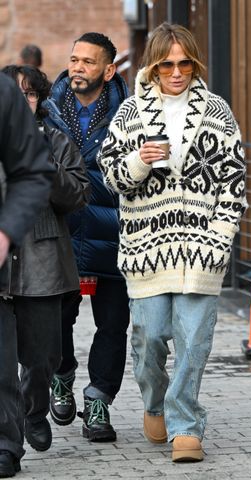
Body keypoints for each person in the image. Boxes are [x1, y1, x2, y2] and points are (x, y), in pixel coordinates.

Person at [97, 22, 247, 462]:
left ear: (194, 63)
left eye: (185, 63)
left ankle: (186, 427)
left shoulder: (217, 112)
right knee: (149, 338)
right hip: (147, 249)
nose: (177, 72)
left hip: (202, 251)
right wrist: (138, 161)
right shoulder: (130, 114)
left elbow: (234, 182)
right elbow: (111, 179)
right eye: (167, 64)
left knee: (194, 339)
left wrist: (219, 239)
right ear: (154, 66)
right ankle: (155, 402)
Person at [1, 64, 90, 465]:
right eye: (14, 93)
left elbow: (78, 196)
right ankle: (8, 444)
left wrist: (44, 167)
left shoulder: (57, 141)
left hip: (44, 266)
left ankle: (35, 409)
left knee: (42, 358)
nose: (22, 100)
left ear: (39, 101)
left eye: (30, 94)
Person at [43, 32, 130, 442]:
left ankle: (99, 400)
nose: (78, 67)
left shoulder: (130, 112)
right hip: (60, 234)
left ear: (108, 70)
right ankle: (60, 375)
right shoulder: (46, 110)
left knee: (112, 325)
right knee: (56, 319)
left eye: (89, 62)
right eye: (74, 59)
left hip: (113, 232)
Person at [0, 72, 54, 478]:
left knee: (22, 360)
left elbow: (31, 173)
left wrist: (5, 233)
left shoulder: (2, 97)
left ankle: (5, 445)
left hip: (28, 264)